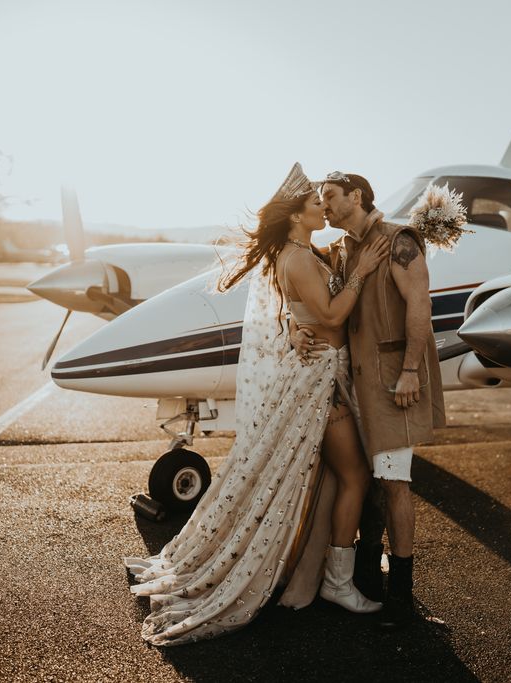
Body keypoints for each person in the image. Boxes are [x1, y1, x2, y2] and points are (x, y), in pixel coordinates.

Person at [123, 163, 389, 646]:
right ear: (296, 216)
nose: (323, 208)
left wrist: (296, 325)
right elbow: (332, 315)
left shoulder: (302, 253)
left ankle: (319, 572)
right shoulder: (298, 259)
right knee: (355, 474)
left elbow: (303, 311)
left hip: (321, 372)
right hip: (321, 382)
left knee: (328, 477)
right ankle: (338, 583)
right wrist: (363, 273)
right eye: (316, 203)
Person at [297, 171, 446, 630]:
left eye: (330, 197)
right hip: (350, 384)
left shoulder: (399, 240)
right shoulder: (341, 250)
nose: (324, 206)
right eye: (320, 200)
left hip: (392, 385)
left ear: (356, 196)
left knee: (395, 483)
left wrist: (410, 370)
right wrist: (294, 329)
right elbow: (304, 296)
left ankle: (401, 597)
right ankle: (364, 578)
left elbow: (419, 304)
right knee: (364, 480)